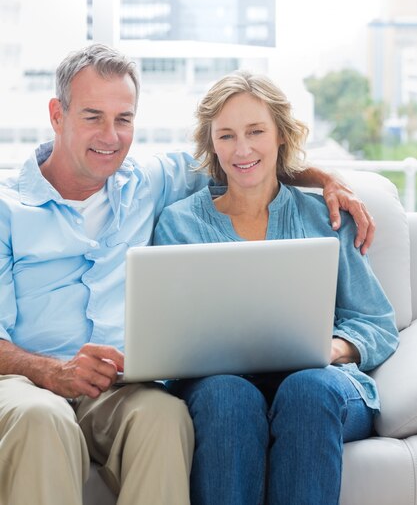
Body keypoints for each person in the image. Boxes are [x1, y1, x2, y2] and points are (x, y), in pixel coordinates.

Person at [0, 45, 374, 505]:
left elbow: (249, 165)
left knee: (166, 419)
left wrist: (327, 178)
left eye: (124, 119)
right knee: (42, 419)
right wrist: (52, 371)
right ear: (57, 114)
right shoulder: (7, 208)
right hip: (31, 385)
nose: (111, 136)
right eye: (93, 116)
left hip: (120, 386)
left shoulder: (147, 181)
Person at [153, 70, 400, 505]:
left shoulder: (326, 217)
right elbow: (167, 342)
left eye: (256, 132)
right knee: (228, 396)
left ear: (281, 136)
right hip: (220, 388)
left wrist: (333, 349)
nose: (242, 149)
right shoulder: (179, 224)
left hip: (323, 385)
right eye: (226, 136)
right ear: (211, 142)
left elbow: (376, 322)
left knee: (308, 388)